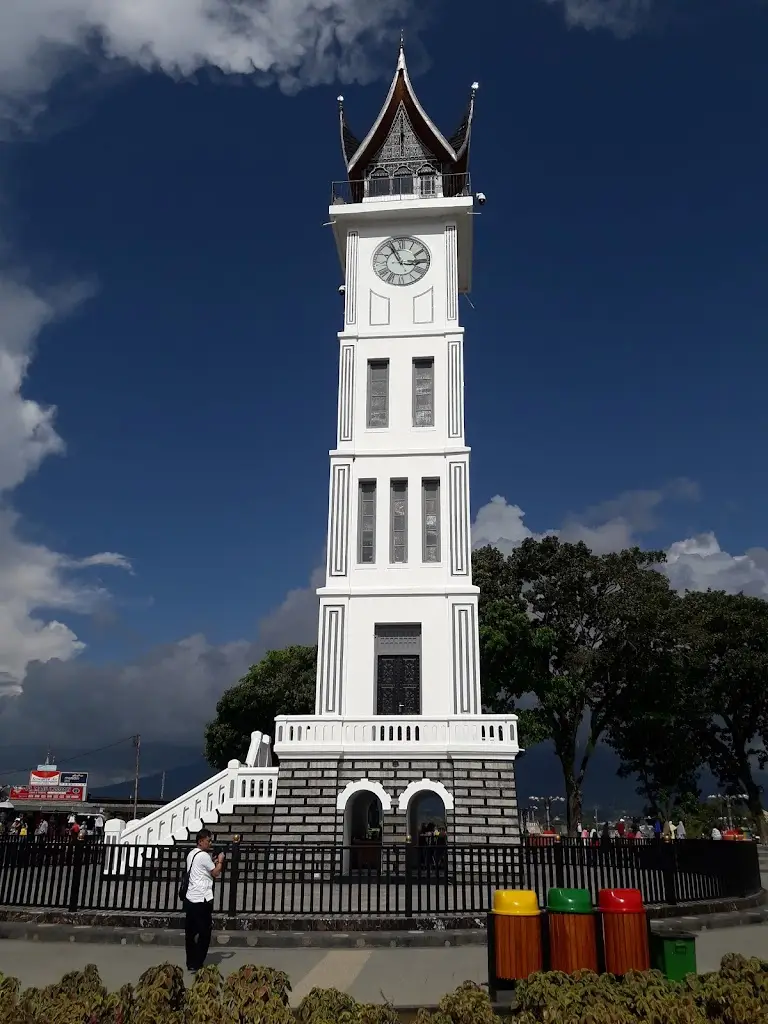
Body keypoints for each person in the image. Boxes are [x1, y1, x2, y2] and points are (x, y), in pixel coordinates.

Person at [184, 828, 225, 974]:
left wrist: (212, 862)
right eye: (209, 840)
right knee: (204, 932)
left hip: (190, 897)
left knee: (190, 932)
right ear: (201, 841)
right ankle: (198, 961)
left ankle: (190, 962)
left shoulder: (191, 854)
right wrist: (220, 861)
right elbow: (215, 873)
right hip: (202, 898)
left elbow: (202, 870)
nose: (210, 843)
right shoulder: (203, 856)